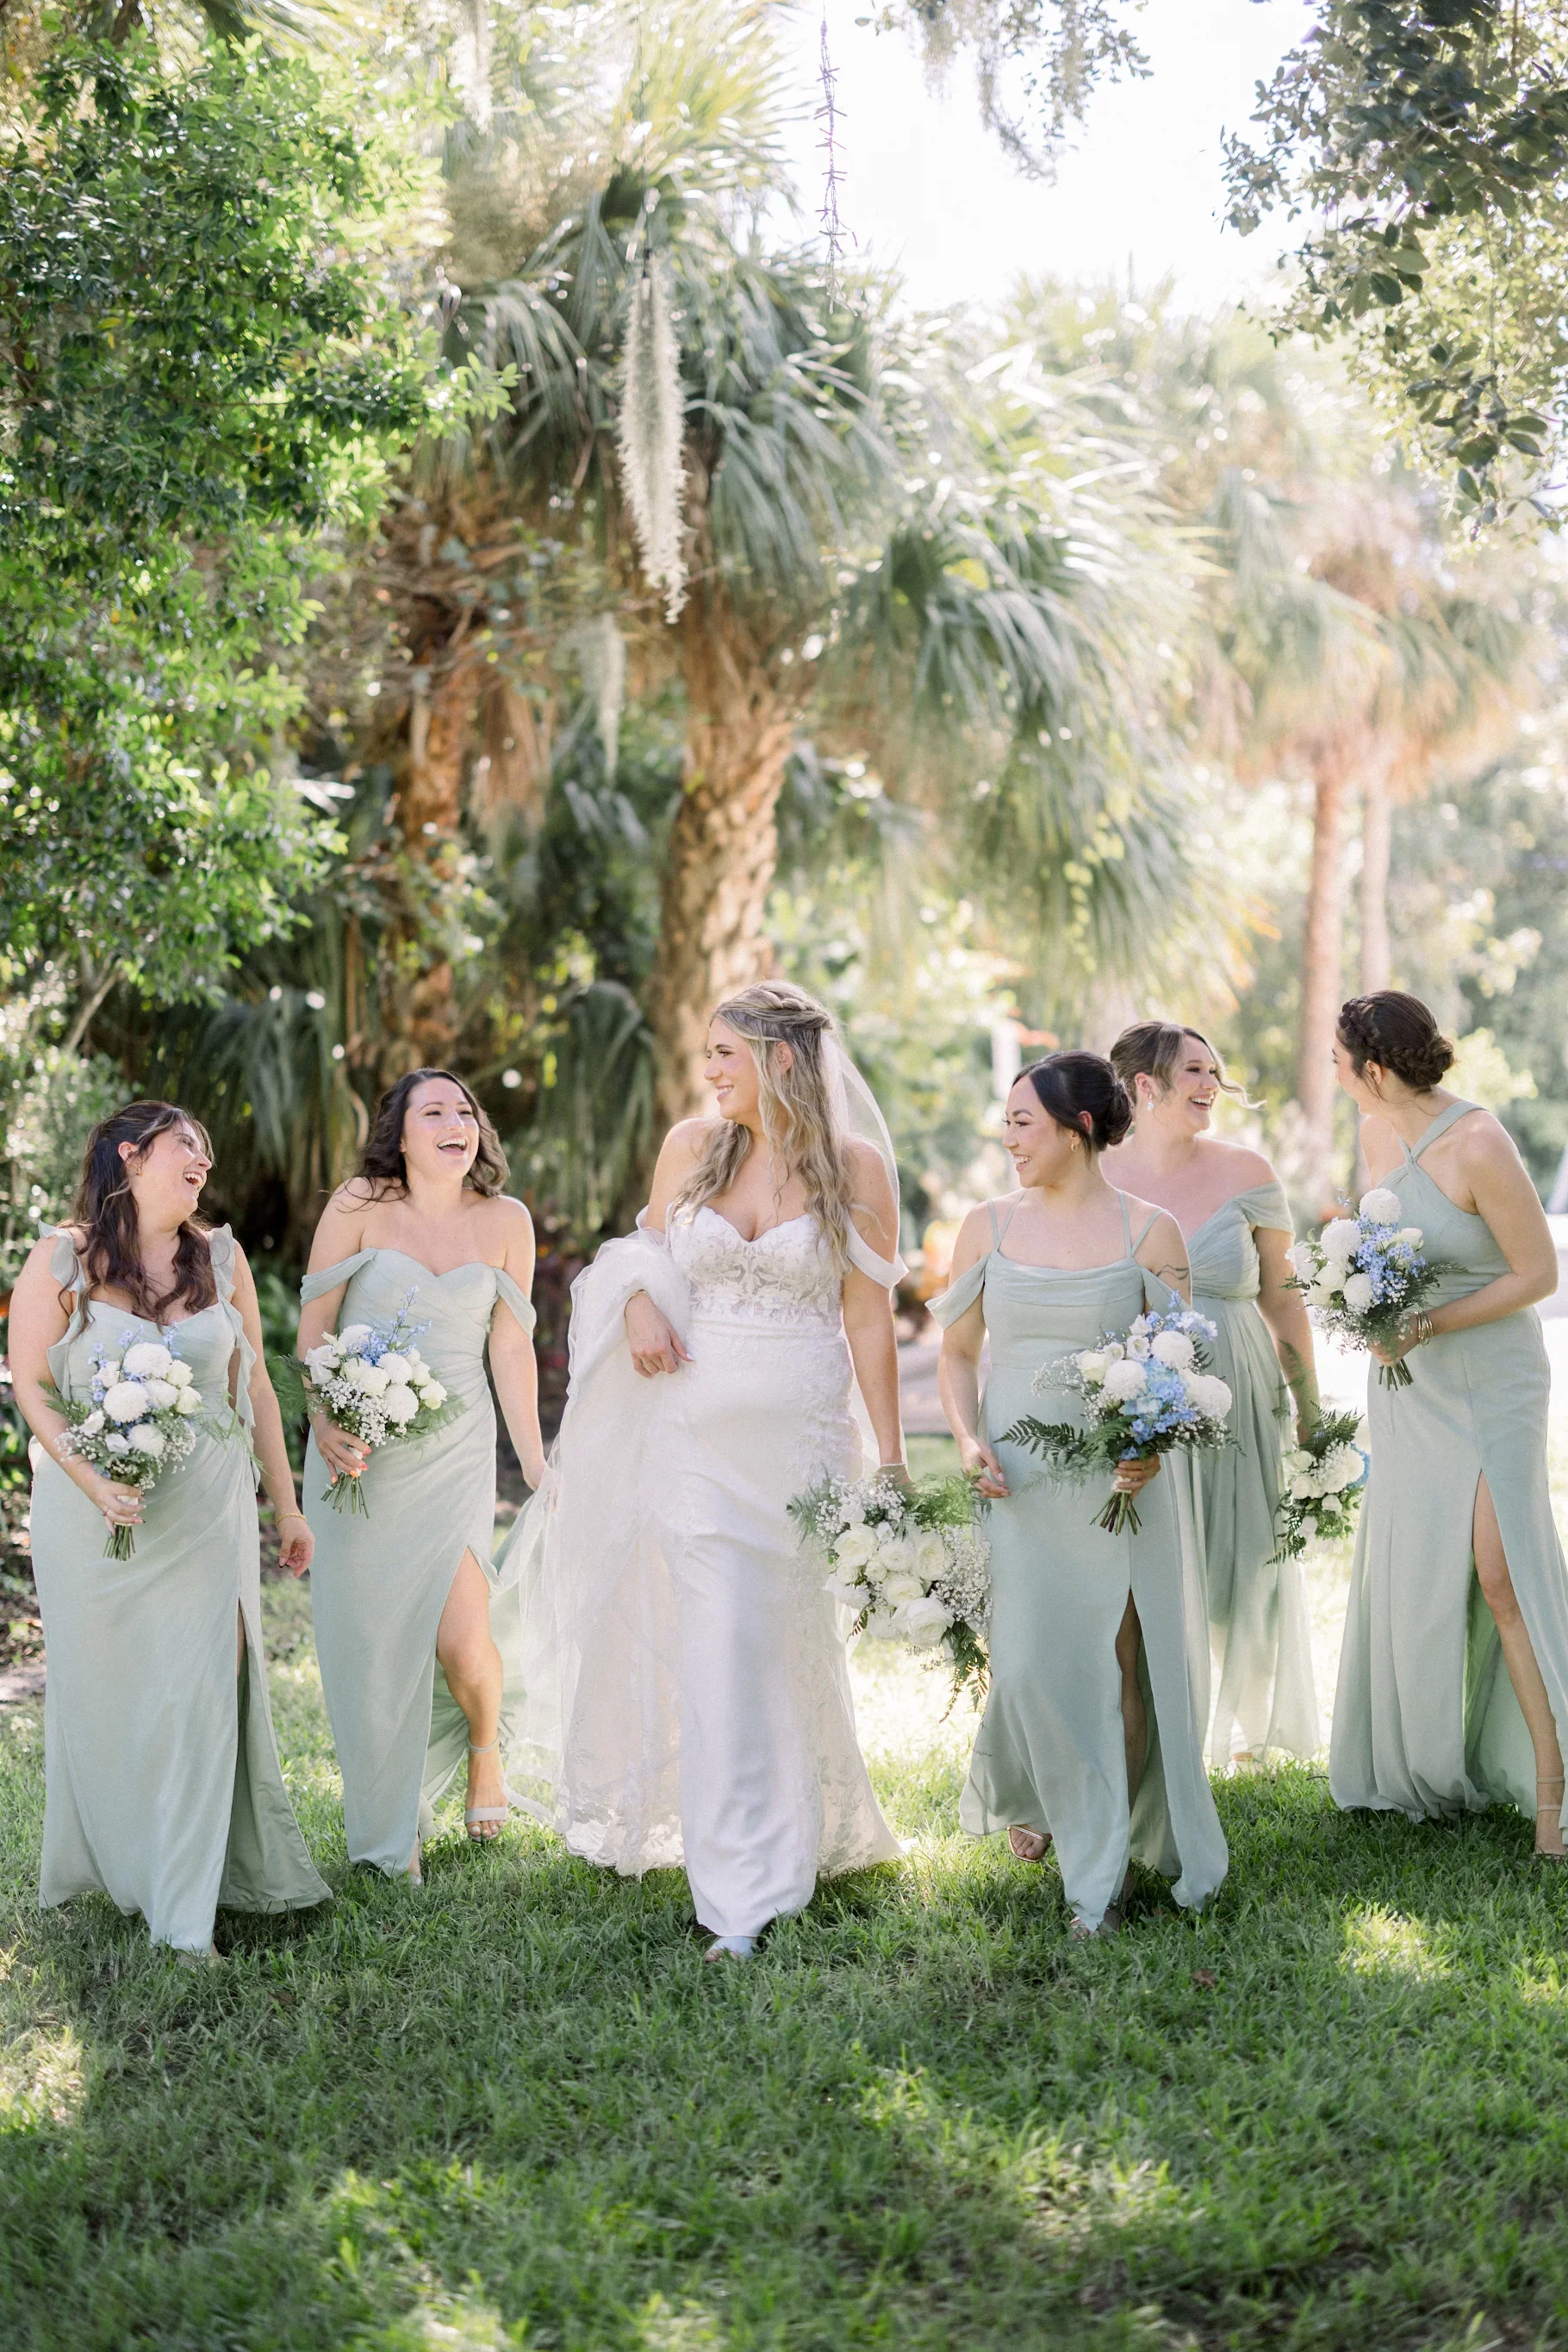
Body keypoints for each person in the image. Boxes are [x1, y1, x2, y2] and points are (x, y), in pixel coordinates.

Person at [505, 980, 905, 1959]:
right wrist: (640, 1303)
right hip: (690, 1440)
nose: (709, 1071)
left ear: (780, 1058)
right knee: (719, 1643)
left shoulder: (854, 1168)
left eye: (724, 1052)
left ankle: (793, 1835)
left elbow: (866, 1318)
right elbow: (641, 1253)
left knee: (776, 1642)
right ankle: (740, 1897)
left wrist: (890, 1460)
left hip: (799, 1444)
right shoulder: (692, 1146)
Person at [9, 1101, 329, 1963]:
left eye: (207, 1152)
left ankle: (185, 1919)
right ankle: (133, 1866)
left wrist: (287, 1505)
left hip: (206, 1508)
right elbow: (31, 1384)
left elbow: (256, 1387)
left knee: (200, 1689)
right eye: (184, 1145)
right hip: (91, 1514)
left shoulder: (220, 1258)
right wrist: (89, 1475)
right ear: (130, 1155)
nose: (202, 1161)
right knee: (116, 1696)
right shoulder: (63, 1257)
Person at [932, 1051, 1228, 1938]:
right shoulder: (985, 1226)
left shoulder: (1151, 1231)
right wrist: (964, 1437)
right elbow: (953, 1351)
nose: (1007, 1137)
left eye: (1022, 1121)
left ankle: (1101, 1870)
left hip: (1118, 1482)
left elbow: (1181, 1362)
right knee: (1023, 1662)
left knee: (1119, 1663)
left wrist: (1148, 1446)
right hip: (1019, 1482)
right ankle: (1056, 1799)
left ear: (1079, 1129)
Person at [1328, 991, 1568, 1858]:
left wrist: (1427, 1324)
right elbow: (1381, 1254)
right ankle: (1425, 1763)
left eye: (1337, 1060)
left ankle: (1553, 1792)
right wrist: (1363, 1305)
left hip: (1489, 1380)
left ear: (1375, 1070)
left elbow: (1535, 1274)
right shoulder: (1370, 1136)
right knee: (1423, 1571)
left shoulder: (1477, 1142)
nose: (1332, 1073)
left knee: (1502, 1579)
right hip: (1409, 1385)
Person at [298, 1068, 543, 1882]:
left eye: (465, 1112)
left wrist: (537, 1464)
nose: (454, 1124)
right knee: (366, 1647)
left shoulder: (507, 1220)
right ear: (398, 1135)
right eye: (432, 1112)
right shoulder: (359, 1206)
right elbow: (313, 1329)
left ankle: (483, 1748)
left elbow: (509, 1346)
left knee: (462, 1641)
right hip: (356, 1456)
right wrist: (325, 1417)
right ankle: (386, 1834)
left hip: (455, 1454)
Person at [1104, 1022, 1320, 1765]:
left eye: (1214, 1070)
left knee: (1244, 1561)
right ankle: (1151, 1728)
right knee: (1153, 1566)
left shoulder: (1246, 1171)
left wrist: (1309, 1407)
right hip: (1140, 1395)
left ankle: (1240, 1732)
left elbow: (1285, 1298)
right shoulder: (1099, 1175)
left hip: (1238, 1381)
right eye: (1194, 1070)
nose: (1211, 1084)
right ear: (1143, 1086)